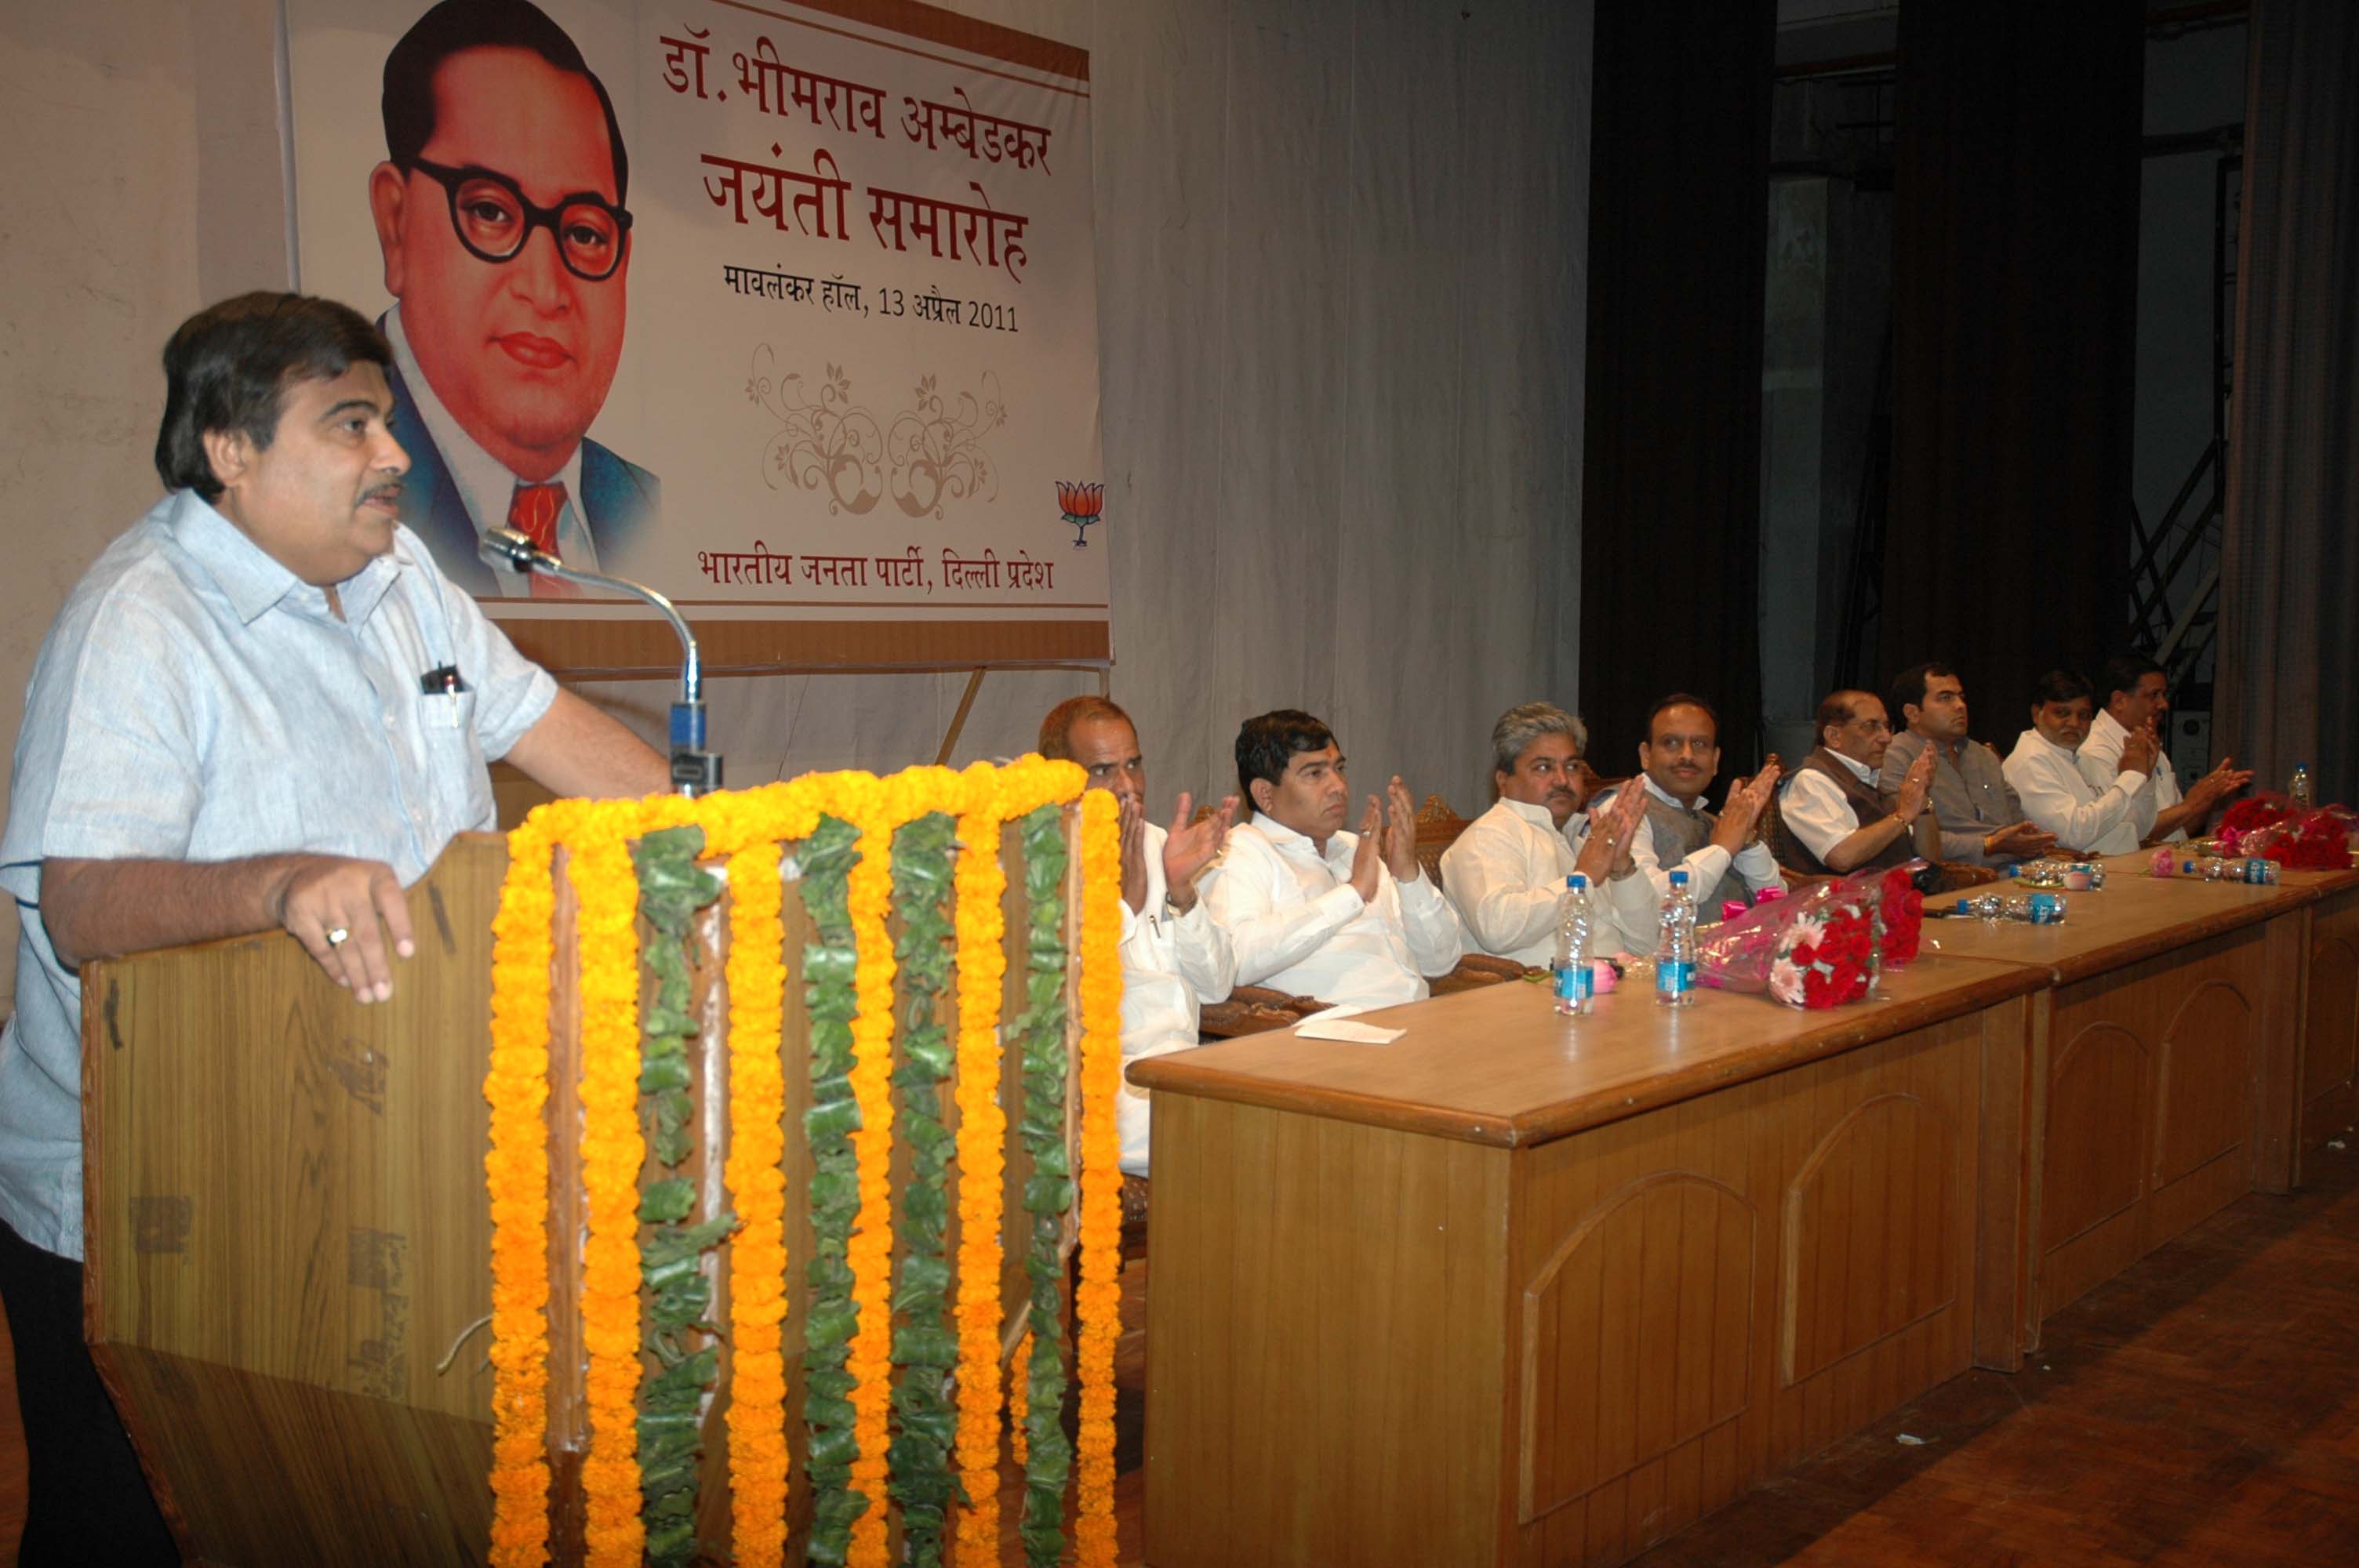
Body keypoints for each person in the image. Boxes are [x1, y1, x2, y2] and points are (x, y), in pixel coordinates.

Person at [0, 292, 671, 1560]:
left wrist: (740, 845)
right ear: (229, 450)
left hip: (369, 1152)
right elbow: (84, 904)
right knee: (136, 1529)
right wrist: (275, 884)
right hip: (145, 1206)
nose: (396, 454)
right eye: (349, 423)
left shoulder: (400, 576)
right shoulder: (139, 624)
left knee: (347, 1509)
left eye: (386, 418)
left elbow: (547, 728)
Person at [368, 0, 656, 597]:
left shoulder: (647, 510)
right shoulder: (340, 490)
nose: (546, 289)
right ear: (396, 224)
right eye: (491, 212)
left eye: (583, 233)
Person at [1038, 695, 1236, 1177]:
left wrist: (1183, 892)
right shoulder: (1037, 862)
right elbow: (1053, 999)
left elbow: (1216, 986)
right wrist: (1123, 905)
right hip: (1101, 1085)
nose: (1127, 786)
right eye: (1104, 770)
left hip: (1182, 1069)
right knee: (1224, 1147)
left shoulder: (1160, 844)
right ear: (1059, 781)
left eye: (1134, 764)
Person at [1201, 710, 1464, 1010]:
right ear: (1265, 794)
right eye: (1315, 774)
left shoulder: (1356, 848)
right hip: (1328, 1036)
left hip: (1415, 1021)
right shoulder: (1238, 852)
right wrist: (1352, 894)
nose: (1338, 786)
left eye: (1339, 769)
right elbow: (1237, 958)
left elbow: (1441, 961)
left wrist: (1407, 874)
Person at [1439, 702, 1652, 963]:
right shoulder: (1491, 835)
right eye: (1543, 767)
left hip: (1615, 989)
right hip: (1532, 997)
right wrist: (1581, 880)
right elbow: (1498, 930)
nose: (1562, 780)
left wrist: (1621, 867)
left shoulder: (1585, 837)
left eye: (1572, 766)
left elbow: (1648, 944)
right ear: (1503, 782)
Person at [1618, 695, 1783, 922]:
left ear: (1715, 761)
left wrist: (1746, 841)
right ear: (1646, 756)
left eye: (1699, 744)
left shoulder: (1710, 819)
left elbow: (1778, 902)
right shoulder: (1623, 812)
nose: (1687, 755)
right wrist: (1722, 849)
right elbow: (1648, 900)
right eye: (1671, 742)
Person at [1878, 661, 2055, 866]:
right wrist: (1987, 844)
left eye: (1961, 697)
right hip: (1957, 879)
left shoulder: (1984, 756)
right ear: (1913, 713)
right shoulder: (1895, 756)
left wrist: (2032, 840)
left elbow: (2016, 819)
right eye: (1945, 698)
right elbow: (1903, 835)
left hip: (2018, 869)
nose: (1960, 706)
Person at [2081, 652, 2252, 844]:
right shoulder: (2093, 750)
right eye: (2154, 695)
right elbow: (2130, 834)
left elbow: (2179, 830)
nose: (2164, 704)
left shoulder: (2149, 742)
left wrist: (2207, 799)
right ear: (2120, 700)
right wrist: (2193, 803)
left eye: (2163, 694)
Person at [1776, 690, 1942, 875]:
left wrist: (1922, 800)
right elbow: (1842, 857)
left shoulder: (1871, 780)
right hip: (1846, 901)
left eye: (1887, 727)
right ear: (1834, 736)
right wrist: (1903, 815)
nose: (1886, 738)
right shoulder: (1811, 781)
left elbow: (1931, 861)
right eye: (1871, 726)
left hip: (1907, 893)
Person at [2001, 668, 2159, 855]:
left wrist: (2145, 778)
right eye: (2062, 713)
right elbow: (2073, 836)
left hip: (2117, 867)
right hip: (2071, 877)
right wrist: (2131, 776)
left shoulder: (2083, 758)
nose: (2074, 723)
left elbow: (2138, 829)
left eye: (2083, 715)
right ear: (2037, 714)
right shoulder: (2028, 761)